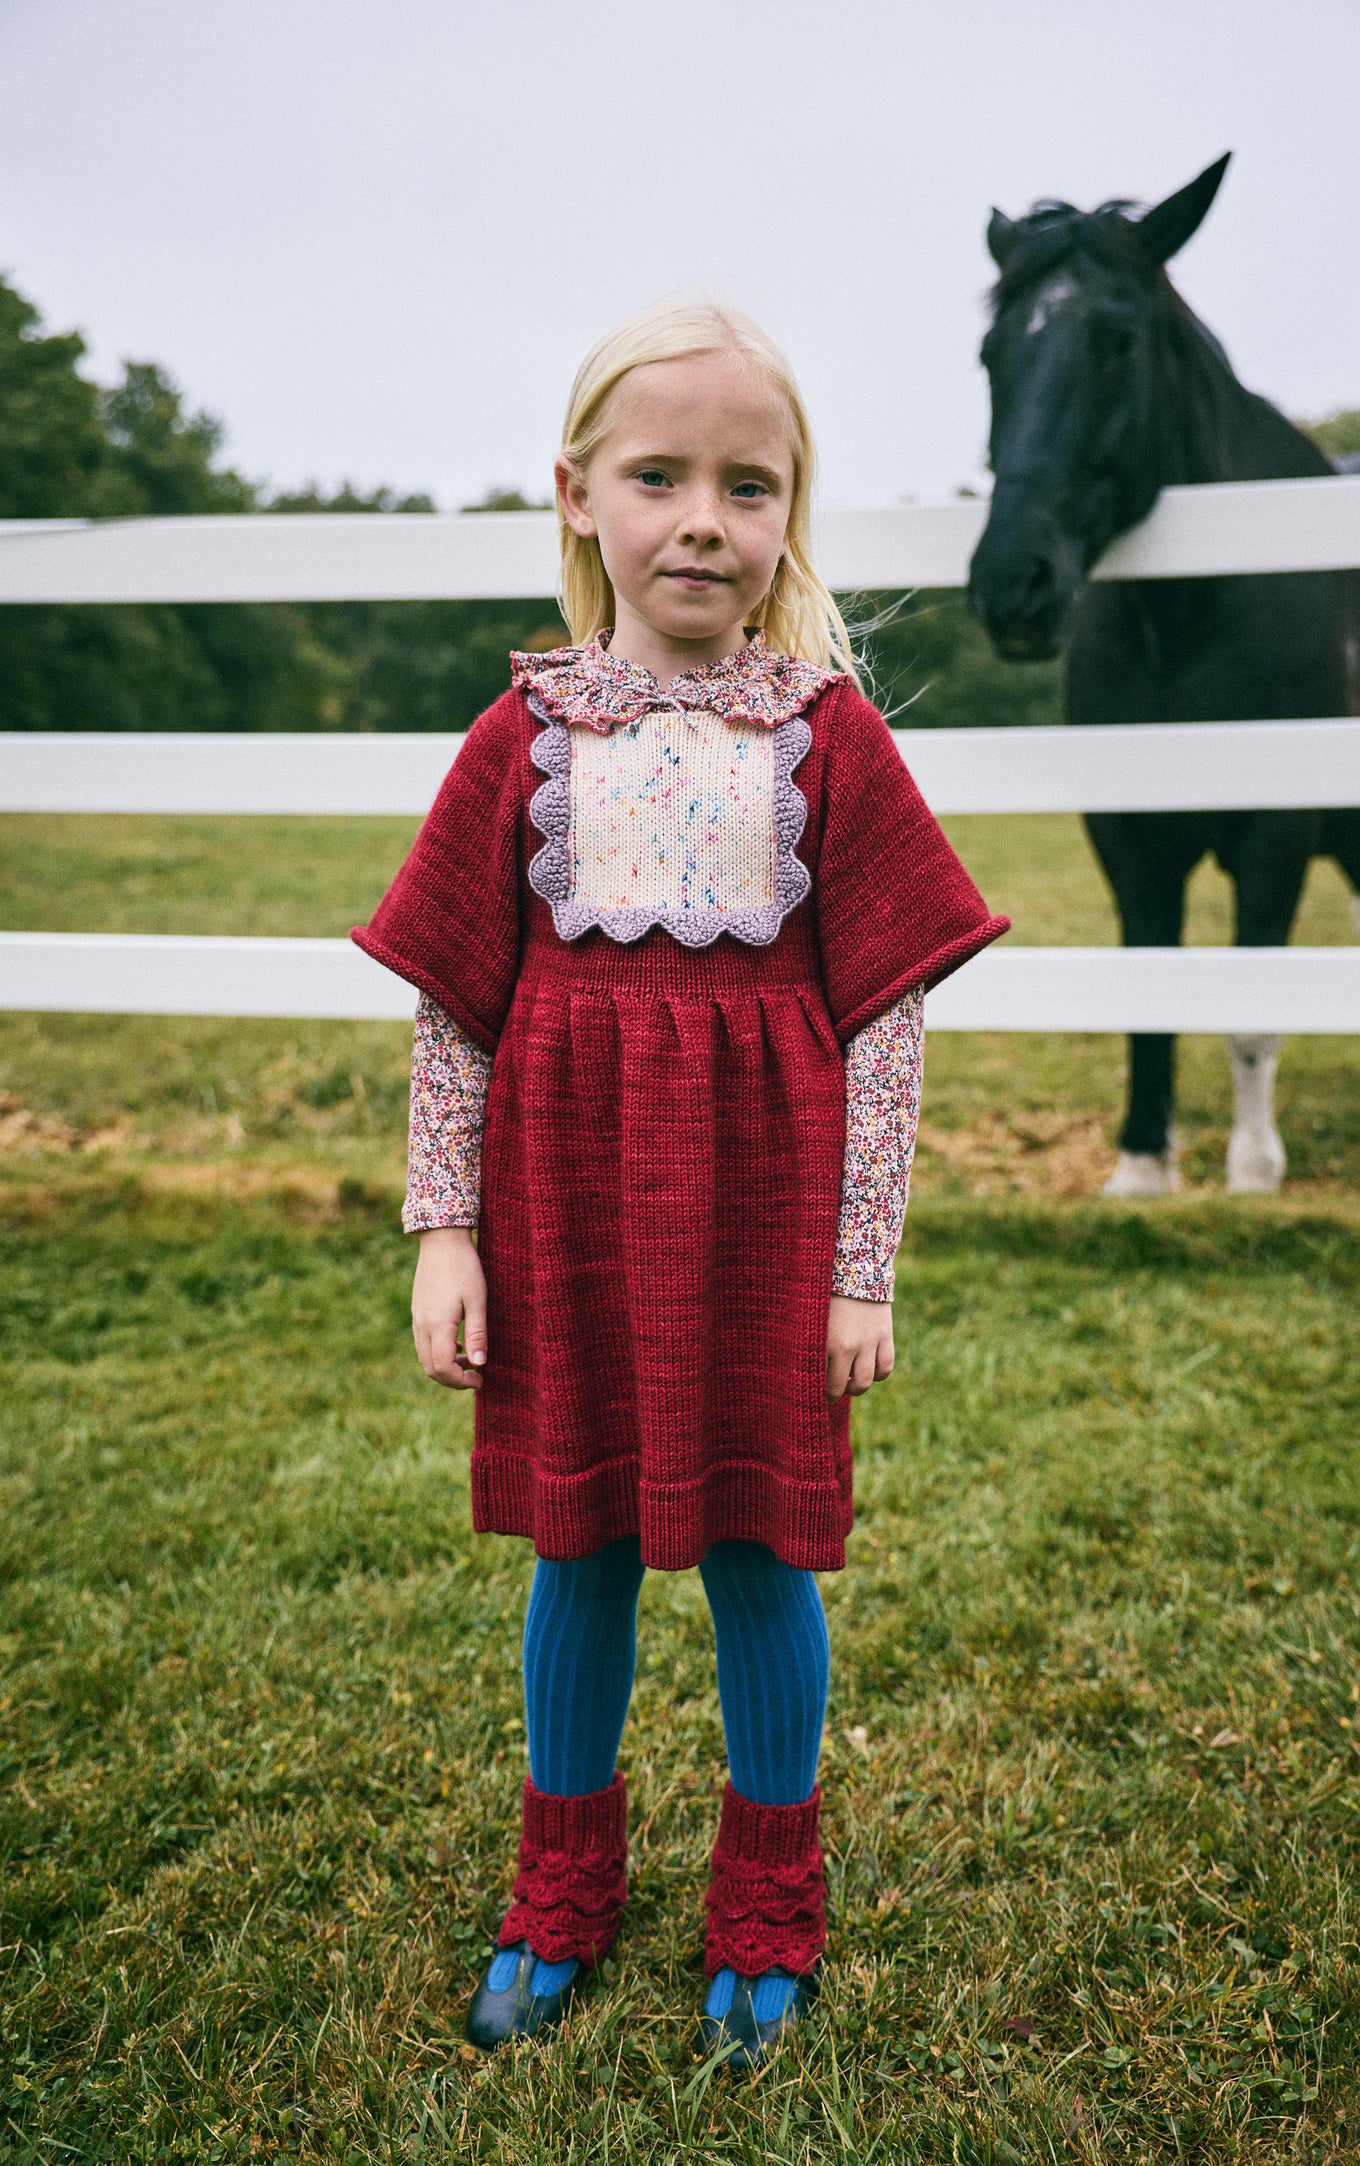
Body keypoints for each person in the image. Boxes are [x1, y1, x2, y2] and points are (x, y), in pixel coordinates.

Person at [353, 299, 1007, 2070]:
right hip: (564, 1220)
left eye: (747, 483)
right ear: (577, 497)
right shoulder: (523, 735)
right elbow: (455, 1012)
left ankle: (764, 1900)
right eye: (659, 478)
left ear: (793, 514)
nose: (702, 520)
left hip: (760, 1225)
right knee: (576, 1546)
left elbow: (884, 1028)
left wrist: (857, 1269)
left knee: (752, 1549)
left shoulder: (830, 742)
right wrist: (444, 1228)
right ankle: (560, 1887)